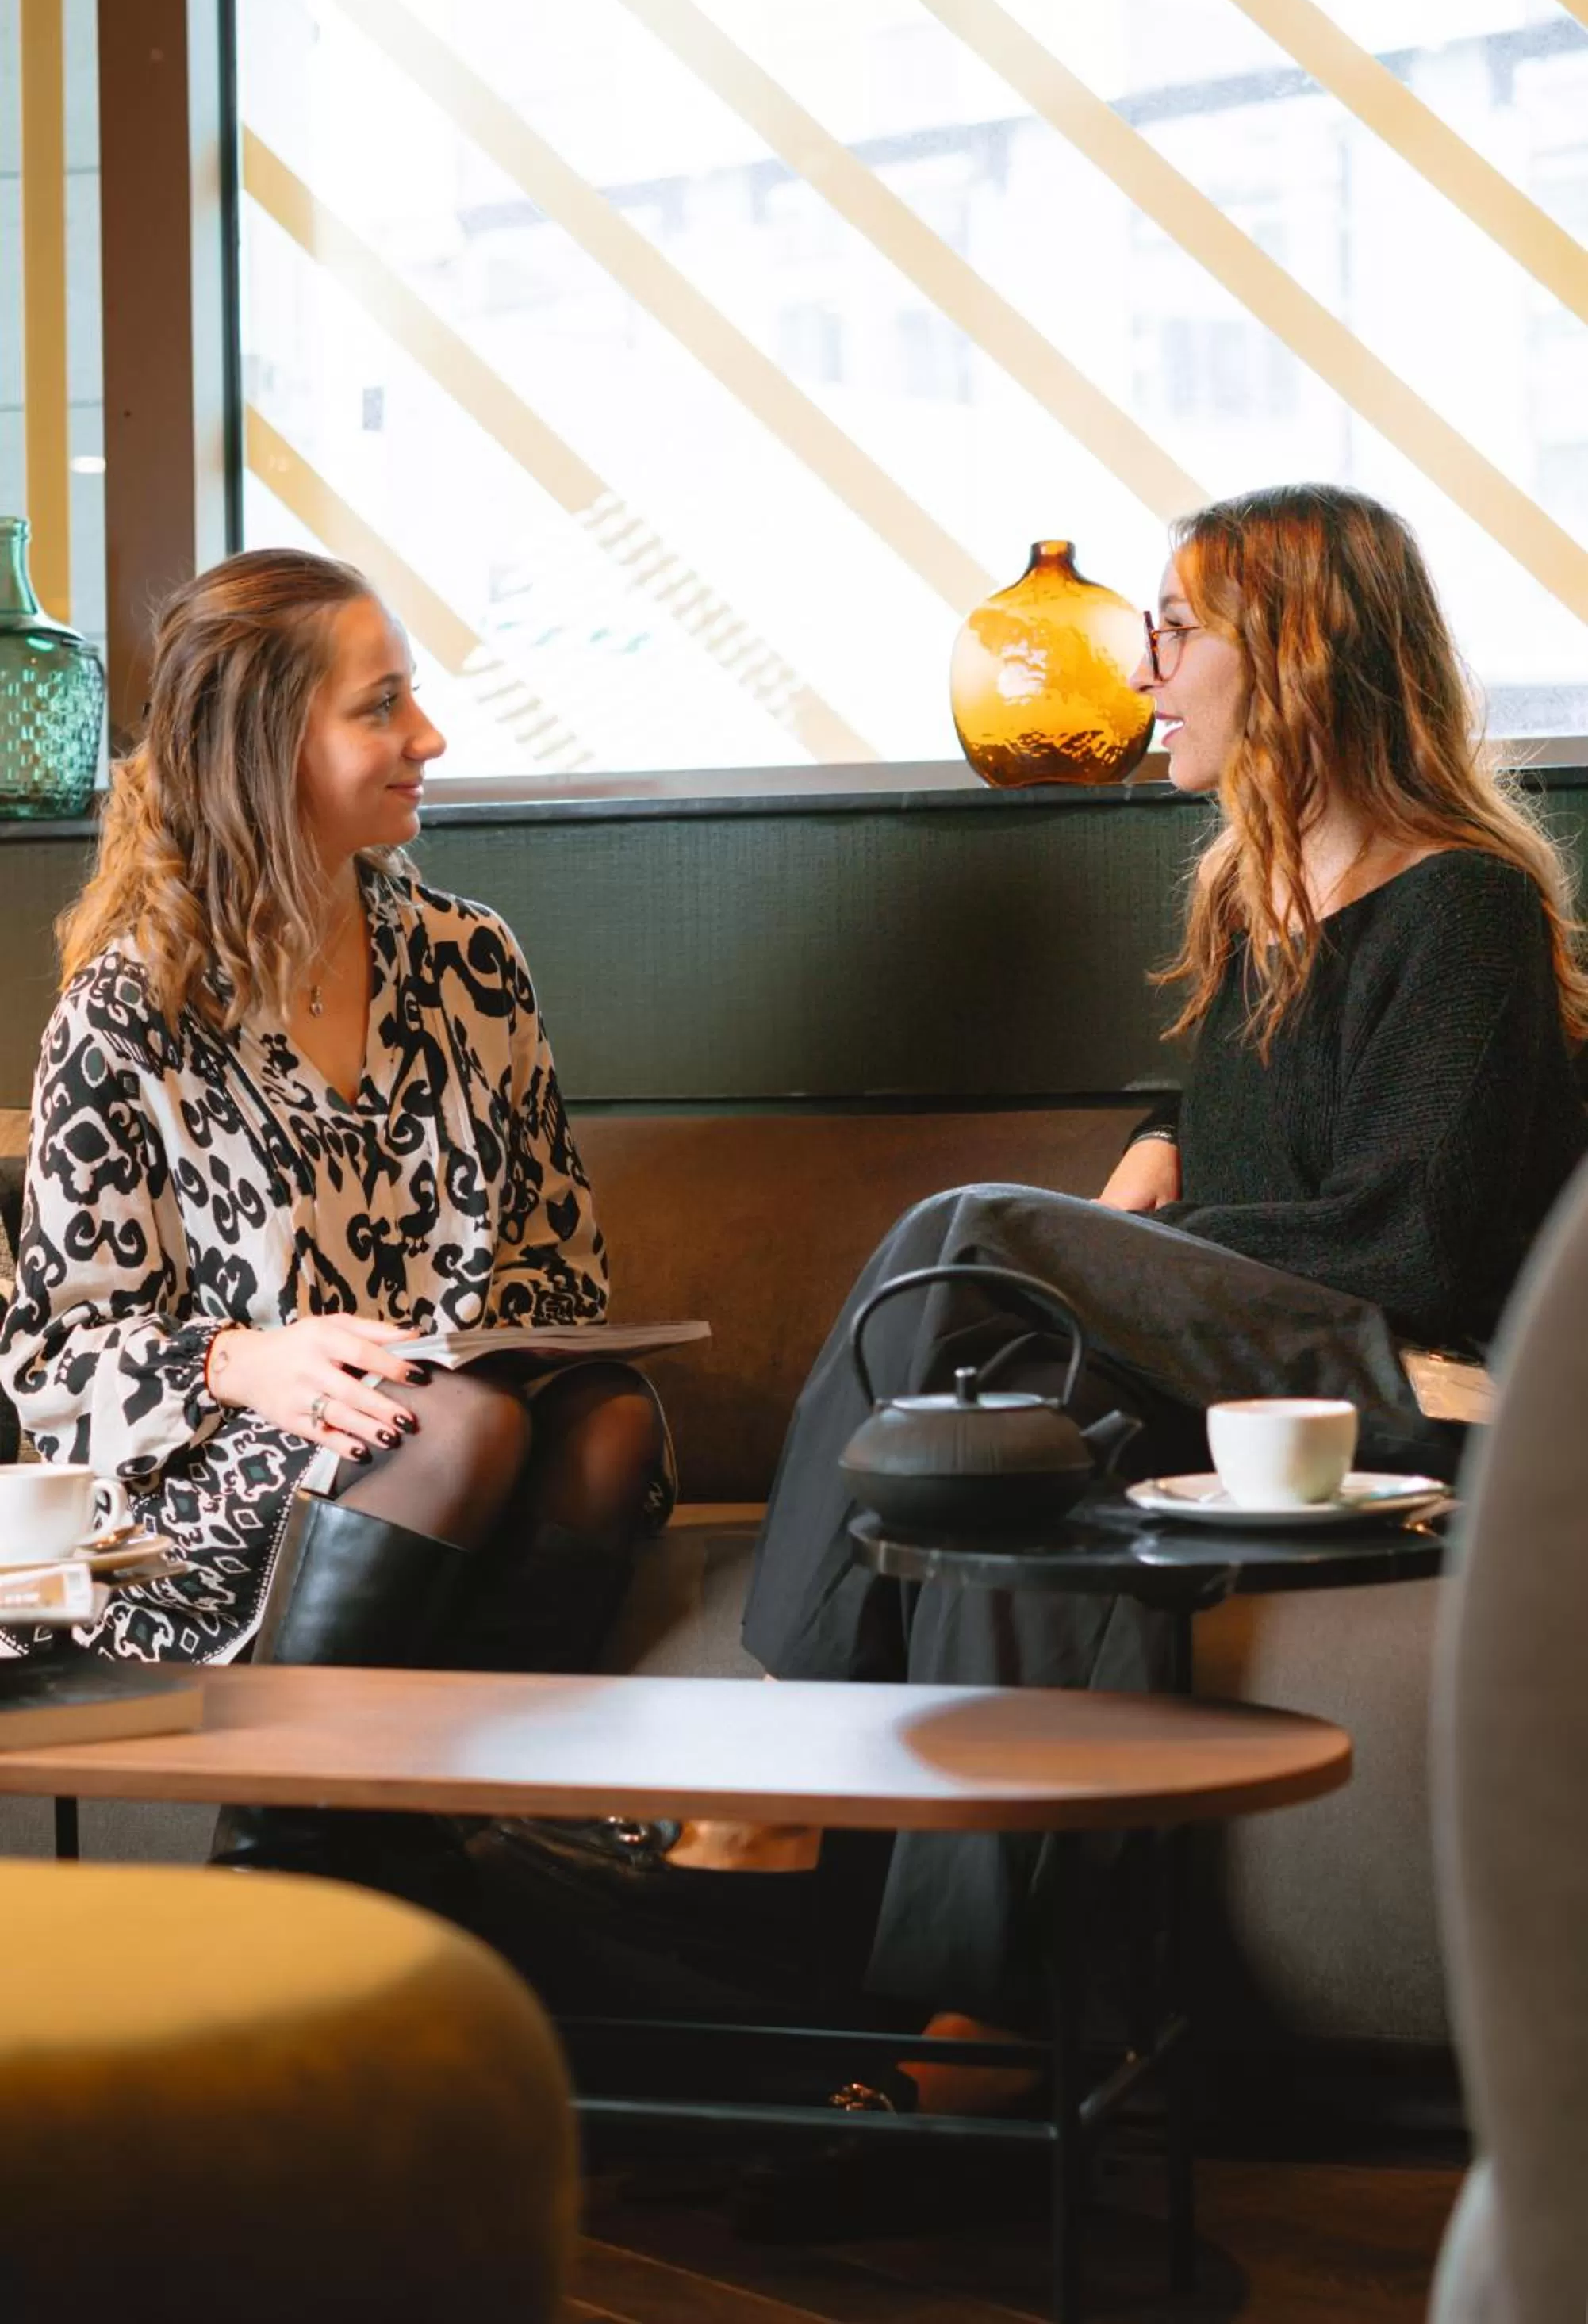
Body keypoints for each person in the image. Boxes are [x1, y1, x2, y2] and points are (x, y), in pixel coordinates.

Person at [704, 483, 1588, 2107]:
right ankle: (989, 2032)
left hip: (1403, 1389)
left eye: (1174, 634)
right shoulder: (1252, 907)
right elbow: (1265, 1126)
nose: (1141, 674)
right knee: (1010, 1456)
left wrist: (1110, 1255)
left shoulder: (1462, 902)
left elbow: (1408, 1241)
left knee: (973, 1229)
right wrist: (1153, 1147)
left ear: (1297, 655)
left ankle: (772, 1752)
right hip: (1250, 1382)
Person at [0, 546, 673, 1895]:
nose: (429, 736)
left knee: (608, 1419)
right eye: (382, 706)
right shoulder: (130, 1011)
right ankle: (280, 1865)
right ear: (267, 746)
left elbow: (557, 1261)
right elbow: (51, 1362)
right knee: (451, 1425)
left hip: (449, 1423)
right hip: (206, 1481)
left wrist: (470, 1347)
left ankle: (473, 1840)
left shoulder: (471, 962)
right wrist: (248, 1360)